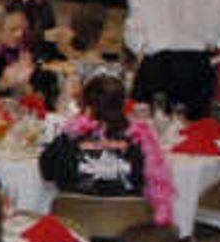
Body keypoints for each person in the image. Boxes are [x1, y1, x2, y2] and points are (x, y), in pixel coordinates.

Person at [41, 73, 175, 221]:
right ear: (124, 103)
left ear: (87, 105)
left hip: (76, 226)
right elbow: (155, 185)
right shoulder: (142, 141)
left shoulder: (68, 138)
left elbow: (46, 172)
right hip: (128, 228)